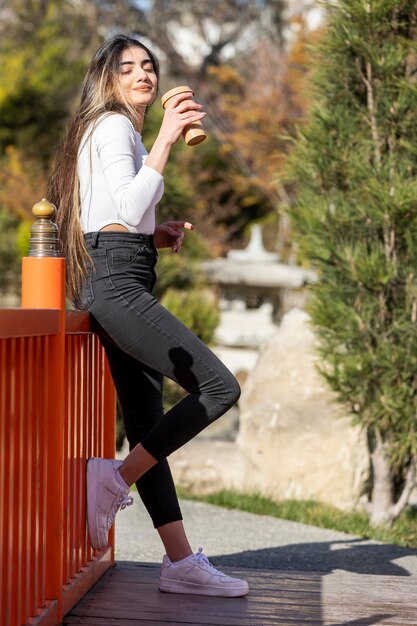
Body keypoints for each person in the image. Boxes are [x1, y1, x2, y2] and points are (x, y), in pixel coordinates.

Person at [47, 33, 248, 598]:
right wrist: (163, 140)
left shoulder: (117, 131)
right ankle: (114, 478)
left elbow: (114, 212)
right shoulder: (114, 126)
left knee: (146, 424)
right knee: (219, 387)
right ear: (107, 79)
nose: (143, 74)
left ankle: (180, 562)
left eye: (149, 66)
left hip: (118, 273)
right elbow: (130, 203)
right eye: (128, 66)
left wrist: (152, 236)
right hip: (113, 282)